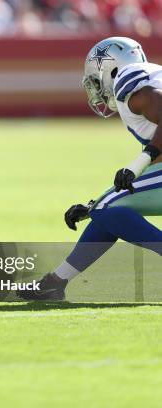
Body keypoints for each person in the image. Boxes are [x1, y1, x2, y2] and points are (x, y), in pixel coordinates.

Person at [19, 37, 162, 301]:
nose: (96, 88)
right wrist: (94, 203)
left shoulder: (128, 79)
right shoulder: (151, 76)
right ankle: (54, 283)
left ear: (111, 68)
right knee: (107, 210)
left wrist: (141, 160)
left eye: (96, 79)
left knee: (109, 209)